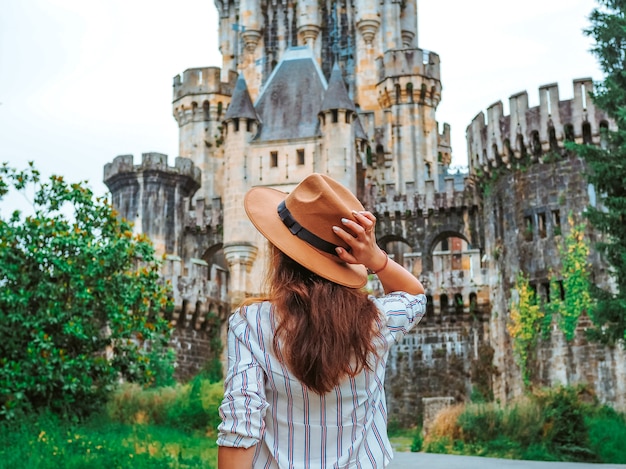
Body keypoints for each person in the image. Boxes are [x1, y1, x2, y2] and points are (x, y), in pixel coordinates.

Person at [217, 173, 426, 469]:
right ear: (346, 258)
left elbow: (241, 424)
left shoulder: (250, 323)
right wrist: (374, 257)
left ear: (280, 252)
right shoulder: (377, 322)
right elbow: (415, 296)